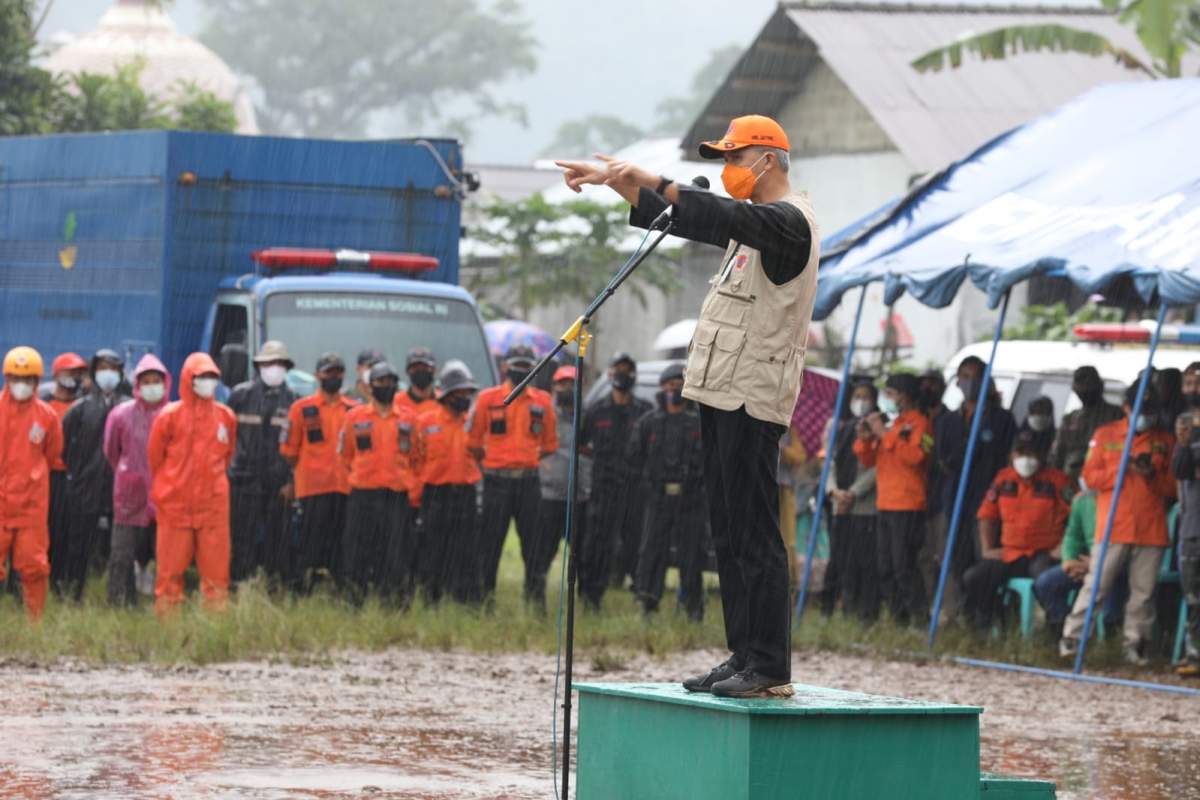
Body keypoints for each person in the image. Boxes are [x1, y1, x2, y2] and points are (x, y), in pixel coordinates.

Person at [558, 114, 818, 697]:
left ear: (767, 160)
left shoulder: (789, 222)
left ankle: (770, 665)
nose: (727, 171)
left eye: (735, 158)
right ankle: (743, 653)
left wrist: (654, 175)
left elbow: (724, 213)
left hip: (753, 398)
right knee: (726, 531)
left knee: (755, 532)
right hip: (722, 391)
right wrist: (618, 182)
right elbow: (679, 218)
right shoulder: (751, 231)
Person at [1059, 384, 1176, 665]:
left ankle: (1136, 646)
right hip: (1113, 526)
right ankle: (1072, 642)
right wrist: (1121, 468)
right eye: (1139, 409)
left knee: (1143, 594)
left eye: (1149, 411)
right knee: (1095, 587)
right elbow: (1088, 478)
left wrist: (1150, 474)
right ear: (1126, 407)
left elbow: (1174, 487)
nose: (1144, 416)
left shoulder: (1165, 440)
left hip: (1150, 528)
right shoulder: (1106, 435)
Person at [468, 344, 557, 605]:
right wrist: (496, 464)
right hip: (496, 481)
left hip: (529, 482)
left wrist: (524, 462)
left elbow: (549, 444)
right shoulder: (487, 399)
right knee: (489, 546)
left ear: (534, 369)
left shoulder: (542, 401)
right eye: (516, 365)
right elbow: (472, 443)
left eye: (526, 366)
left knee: (534, 547)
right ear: (505, 367)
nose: (521, 370)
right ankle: (484, 601)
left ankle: (535, 602)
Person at [148, 352, 236, 615]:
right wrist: (172, 487)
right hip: (175, 507)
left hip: (213, 509)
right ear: (188, 379)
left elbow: (226, 455)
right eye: (201, 377)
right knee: (169, 576)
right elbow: (155, 458)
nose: (206, 382)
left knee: (217, 578)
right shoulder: (169, 416)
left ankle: (214, 632)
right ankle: (168, 631)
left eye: (211, 377)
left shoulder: (225, 416)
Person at [933, 356, 1016, 619]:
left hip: (989, 503)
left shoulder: (1002, 419)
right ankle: (959, 614)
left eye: (975, 377)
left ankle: (986, 615)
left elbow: (1007, 460)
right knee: (957, 559)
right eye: (965, 377)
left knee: (986, 560)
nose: (970, 383)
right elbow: (942, 461)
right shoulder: (948, 421)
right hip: (957, 498)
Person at [963, 431, 1071, 630]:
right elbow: (986, 515)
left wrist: (1064, 547)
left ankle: (1055, 631)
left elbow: (1077, 516)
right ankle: (989, 626)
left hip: (1044, 553)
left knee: (1047, 581)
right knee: (975, 577)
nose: (1026, 459)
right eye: (1021, 453)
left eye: (1031, 454)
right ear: (1012, 455)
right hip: (1011, 553)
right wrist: (987, 548)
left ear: (1041, 456)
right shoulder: (1003, 480)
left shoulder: (1057, 481)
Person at [627, 363, 706, 620]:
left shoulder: (699, 423)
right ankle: (648, 603)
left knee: (692, 554)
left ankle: (693, 608)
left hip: (690, 499)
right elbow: (633, 458)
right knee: (652, 551)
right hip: (657, 498)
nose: (675, 389)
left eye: (680, 384)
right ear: (663, 387)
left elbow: (709, 462)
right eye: (670, 384)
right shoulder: (649, 422)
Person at [855, 373, 933, 626]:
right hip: (885, 504)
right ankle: (899, 620)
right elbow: (868, 461)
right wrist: (866, 439)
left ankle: (920, 620)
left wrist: (884, 434)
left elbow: (916, 457)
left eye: (890, 393)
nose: (885, 398)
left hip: (908, 505)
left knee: (904, 566)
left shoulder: (920, 424)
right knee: (885, 567)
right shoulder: (890, 425)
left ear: (905, 396)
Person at [338, 361, 417, 605]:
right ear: (370, 386)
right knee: (357, 549)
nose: (386, 386)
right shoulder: (355, 417)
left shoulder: (409, 420)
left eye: (391, 382)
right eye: (381, 382)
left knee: (394, 551)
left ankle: (392, 601)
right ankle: (354, 599)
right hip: (363, 495)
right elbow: (345, 455)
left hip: (395, 497)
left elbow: (417, 457)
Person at [579, 352, 652, 607]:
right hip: (604, 488)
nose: (623, 375)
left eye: (628, 370)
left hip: (635, 489)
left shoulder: (644, 411)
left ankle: (642, 596)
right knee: (598, 543)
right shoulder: (597, 411)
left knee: (637, 543)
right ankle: (590, 596)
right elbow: (581, 445)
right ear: (610, 374)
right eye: (618, 370)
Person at [280, 353, 356, 594]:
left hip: (345, 488)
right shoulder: (301, 409)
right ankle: (302, 591)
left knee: (342, 544)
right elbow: (289, 451)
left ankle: (342, 591)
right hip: (312, 489)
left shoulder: (354, 410)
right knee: (308, 544)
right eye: (328, 372)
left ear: (344, 376)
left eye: (337, 372)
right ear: (317, 375)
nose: (333, 377)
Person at [59, 348, 130, 601]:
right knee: (78, 545)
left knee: (121, 548)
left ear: (121, 373)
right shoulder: (80, 409)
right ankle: (72, 593)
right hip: (85, 487)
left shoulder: (128, 408)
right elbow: (63, 445)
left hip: (119, 488)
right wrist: (79, 473)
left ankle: (121, 597)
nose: (107, 374)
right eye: (102, 368)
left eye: (112, 368)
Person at [227, 341, 297, 587]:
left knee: (278, 538)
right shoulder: (240, 396)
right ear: (258, 366)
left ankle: (274, 584)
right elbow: (225, 436)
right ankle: (239, 583)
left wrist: (291, 481)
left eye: (279, 363)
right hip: (244, 479)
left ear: (287, 367)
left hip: (278, 484)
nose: (273, 368)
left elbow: (299, 449)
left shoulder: (294, 402)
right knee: (241, 536)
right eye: (268, 363)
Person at [0, 346, 63, 620]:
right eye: (16, 378)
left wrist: (31, 479)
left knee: (34, 567)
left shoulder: (47, 416)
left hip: (31, 506)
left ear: (37, 381)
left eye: (27, 379)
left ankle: (34, 623)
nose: (21, 385)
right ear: (7, 378)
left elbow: (51, 454)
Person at [412, 360, 481, 604]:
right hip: (435, 495)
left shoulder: (473, 423)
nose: (465, 397)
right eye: (460, 392)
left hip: (465, 494)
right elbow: (415, 459)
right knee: (433, 547)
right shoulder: (426, 422)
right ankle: (432, 597)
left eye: (467, 393)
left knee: (465, 548)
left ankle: (465, 599)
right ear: (449, 394)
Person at [103, 355, 170, 606]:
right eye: (147, 381)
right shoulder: (120, 414)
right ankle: (120, 602)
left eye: (156, 381)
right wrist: (129, 473)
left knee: (165, 554)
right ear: (137, 385)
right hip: (129, 494)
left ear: (165, 384)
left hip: (165, 495)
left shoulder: (173, 414)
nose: (152, 386)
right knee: (122, 553)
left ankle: (163, 604)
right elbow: (111, 451)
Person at [526, 365, 593, 612]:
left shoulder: (588, 417)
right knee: (541, 555)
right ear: (554, 386)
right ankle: (535, 603)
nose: (567, 388)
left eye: (572, 383)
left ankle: (588, 603)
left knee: (584, 555)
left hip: (580, 498)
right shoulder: (543, 414)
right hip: (548, 496)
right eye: (562, 383)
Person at [1033, 488, 1128, 637]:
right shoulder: (1082, 501)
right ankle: (1062, 633)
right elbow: (1072, 536)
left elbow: (1128, 546)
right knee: (1046, 583)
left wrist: (1096, 564)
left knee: (1111, 580)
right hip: (1085, 564)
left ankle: (1110, 639)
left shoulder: (1124, 501)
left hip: (1116, 564)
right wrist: (1069, 561)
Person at [824, 379, 879, 620]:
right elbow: (830, 462)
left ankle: (860, 611)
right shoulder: (843, 428)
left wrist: (853, 493)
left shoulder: (879, 429)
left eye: (866, 396)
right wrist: (834, 491)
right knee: (837, 558)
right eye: (857, 396)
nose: (861, 401)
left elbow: (877, 468)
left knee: (862, 561)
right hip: (839, 503)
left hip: (863, 506)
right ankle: (831, 607)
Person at [42, 352, 86, 594]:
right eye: (70, 372)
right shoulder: (45, 404)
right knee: (44, 528)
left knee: (68, 530)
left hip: (74, 477)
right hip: (48, 477)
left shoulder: (82, 406)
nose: (74, 378)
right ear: (57, 374)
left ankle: (62, 580)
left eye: (78, 373)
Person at [1050, 366, 1124, 486]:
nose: (1085, 389)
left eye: (1088, 384)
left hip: (1105, 478)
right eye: (1080, 384)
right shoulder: (1070, 419)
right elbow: (1058, 455)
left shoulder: (1116, 414)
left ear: (1099, 386)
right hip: (1071, 479)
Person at [1172, 399, 1200, 676]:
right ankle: (1195, 656)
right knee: (1194, 599)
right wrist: (1182, 443)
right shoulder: (1189, 429)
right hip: (1193, 528)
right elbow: (1181, 471)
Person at [394, 347, 438, 415]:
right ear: (407, 371)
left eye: (425, 367)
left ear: (434, 370)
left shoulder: (444, 401)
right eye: (415, 368)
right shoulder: (395, 402)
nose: (420, 371)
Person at [1020, 395, 1057, 462]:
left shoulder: (1055, 435)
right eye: (1035, 411)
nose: (1038, 414)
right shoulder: (1022, 431)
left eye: (1042, 411)